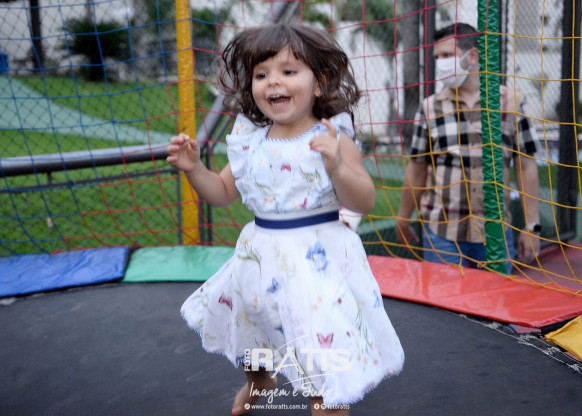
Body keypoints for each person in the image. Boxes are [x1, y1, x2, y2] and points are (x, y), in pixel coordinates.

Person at [167, 24, 404, 416]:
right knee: (255, 335)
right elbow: (222, 193)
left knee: (321, 372)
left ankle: (326, 402)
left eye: (288, 71)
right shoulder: (250, 140)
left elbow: (364, 200)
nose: (273, 81)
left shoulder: (332, 137)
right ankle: (261, 382)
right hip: (259, 263)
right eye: (262, 74)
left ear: (319, 83)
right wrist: (195, 170)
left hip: (316, 267)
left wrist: (338, 167)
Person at [396, 23, 541, 274]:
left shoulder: (510, 102)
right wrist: (403, 217)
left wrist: (532, 227)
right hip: (442, 232)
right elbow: (417, 168)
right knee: (444, 299)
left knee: (495, 298)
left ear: (472, 56)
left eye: (447, 55)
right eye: (437, 57)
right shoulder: (430, 107)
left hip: (494, 232)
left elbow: (525, 165)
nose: (440, 63)